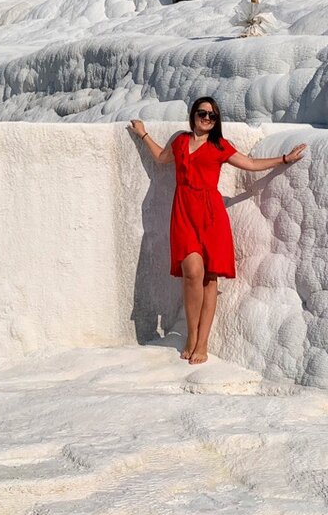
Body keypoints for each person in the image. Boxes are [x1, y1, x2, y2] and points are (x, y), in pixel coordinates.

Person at [129, 97, 306, 364]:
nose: (207, 119)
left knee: (210, 278)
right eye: (203, 113)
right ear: (194, 115)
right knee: (192, 273)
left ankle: (202, 342)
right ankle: (190, 335)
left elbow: (250, 163)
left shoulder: (219, 145)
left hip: (212, 217)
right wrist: (142, 134)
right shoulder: (179, 142)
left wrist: (284, 158)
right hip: (184, 215)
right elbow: (160, 158)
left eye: (212, 116)